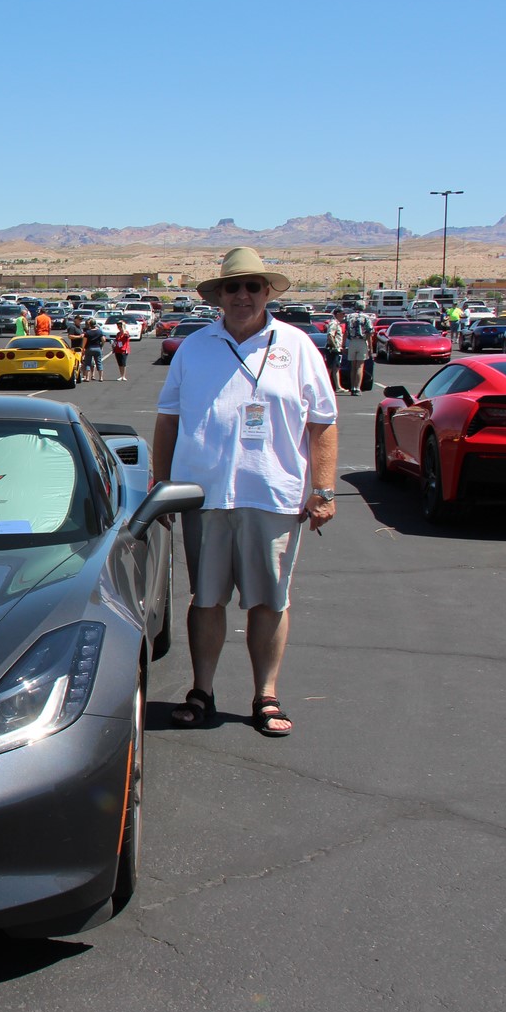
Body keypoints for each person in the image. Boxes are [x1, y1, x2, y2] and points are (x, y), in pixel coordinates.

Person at [153, 247, 338, 738]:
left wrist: (323, 489)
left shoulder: (297, 346)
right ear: (219, 295)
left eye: (252, 286)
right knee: (205, 598)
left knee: (270, 601)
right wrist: (162, 485)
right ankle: (202, 691)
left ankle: (266, 696)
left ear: (267, 293)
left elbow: (323, 422)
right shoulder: (194, 348)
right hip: (205, 495)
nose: (242, 295)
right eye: (232, 287)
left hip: (273, 494)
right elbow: (168, 420)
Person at [343, 311, 372, 395]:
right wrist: (370, 347)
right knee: (360, 366)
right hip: (362, 342)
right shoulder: (366, 317)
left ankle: (352, 387)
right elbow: (369, 333)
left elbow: (345, 332)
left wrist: (343, 345)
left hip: (352, 342)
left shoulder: (349, 317)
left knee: (353, 366)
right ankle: (357, 388)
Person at [325, 310, 345, 393]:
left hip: (336, 349)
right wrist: (335, 347)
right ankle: (325, 387)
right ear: (337, 314)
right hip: (332, 349)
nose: (344, 315)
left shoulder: (337, 324)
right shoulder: (334, 323)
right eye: (342, 314)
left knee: (336, 368)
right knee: (330, 368)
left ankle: (338, 386)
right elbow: (330, 335)